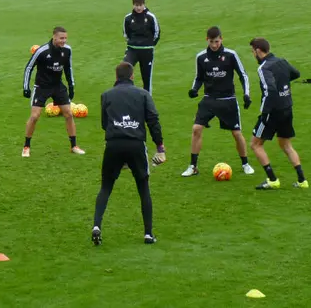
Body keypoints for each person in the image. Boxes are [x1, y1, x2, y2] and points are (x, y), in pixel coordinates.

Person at [92, 62, 166, 246]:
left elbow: (104, 123)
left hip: (113, 144)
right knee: (143, 188)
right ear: (132, 76)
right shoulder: (143, 94)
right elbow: (153, 120)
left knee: (106, 187)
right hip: (136, 145)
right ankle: (148, 234)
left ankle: (96, 226)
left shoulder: (106, 95)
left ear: (116, 77)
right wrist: (160, 148)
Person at [182, 27, 255, 177]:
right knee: (196, 129)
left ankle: (245, 163)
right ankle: (193, 166)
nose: (214, 45)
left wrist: (246, 95)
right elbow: (199, 78)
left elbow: (243, 75)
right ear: (206, 40)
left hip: (228, 100)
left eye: (216, 41)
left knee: (236, 133)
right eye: (211, 42)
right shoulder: (201, 57)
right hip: (209, 99)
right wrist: (194, 89)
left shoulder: (230, 55)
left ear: (222, 39)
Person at [248, 38, 307, 190]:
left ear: (258, 51)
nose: (253, 54)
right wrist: (284, 85)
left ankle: (272, 179)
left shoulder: (263, 68)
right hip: (287, 108)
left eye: (253, 51)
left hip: (273, 112)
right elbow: (296, 73)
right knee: (286, 144)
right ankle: (302, 181)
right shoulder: (282, 61)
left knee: (255, 144)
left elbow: (270, 90)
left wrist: (264, 111)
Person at [22, 26, 85, 157]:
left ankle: (74, 146)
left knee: (68, 114)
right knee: (34, 116)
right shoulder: (42, 51)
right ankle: (26, 146)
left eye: (66, 38)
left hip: (58, 86)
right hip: (42, 86)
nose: (64, 41)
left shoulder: (67, 50)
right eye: (61, 38)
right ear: (54, 37)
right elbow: (29, 68)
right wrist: (26, 87)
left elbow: (68, 69)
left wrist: (71, 86)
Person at [122, 0, 160, 94]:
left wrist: (150, 44)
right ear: (133, 5)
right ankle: (126, 94)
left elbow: (156, 32)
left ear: (144, 4)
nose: (138, 8)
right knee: (124, 69)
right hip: (132, 50)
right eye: (136, 5)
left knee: (146, 78)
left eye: (140, 5)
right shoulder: (128, 18)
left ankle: (147, 101)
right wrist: (132, 42)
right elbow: (126, 33)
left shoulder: (151, 17)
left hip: (146, 51)